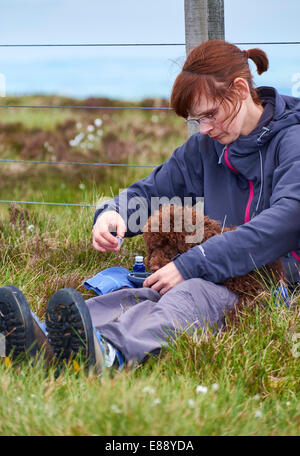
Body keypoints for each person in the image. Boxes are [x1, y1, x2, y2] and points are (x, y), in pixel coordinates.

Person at [1, 40, 299, 373]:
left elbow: (287, 220)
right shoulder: (203, 149)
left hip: (271, 281)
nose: (205, 129)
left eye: (211, 115)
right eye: (197, 120)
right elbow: (153, 191)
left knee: (192, 295)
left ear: (241, 90)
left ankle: (108, 354)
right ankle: (35, 340)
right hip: (203, 266)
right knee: (138, 294)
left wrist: (193, 264)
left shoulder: (292, 142)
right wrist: (114, 213)